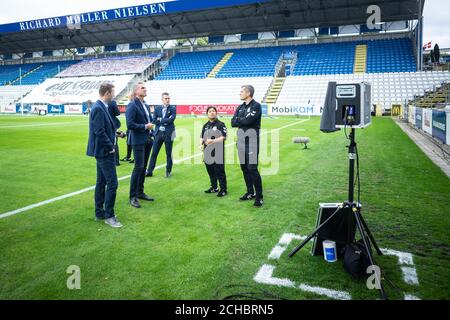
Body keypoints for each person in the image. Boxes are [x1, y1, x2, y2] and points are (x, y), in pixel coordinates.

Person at [86, 83, 123, 227]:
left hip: (103, 150)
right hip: (104, 151)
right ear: (107, 93)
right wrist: (111, 146)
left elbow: (105, 128)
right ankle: (109, 215)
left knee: (101, 182)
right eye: (112, 93)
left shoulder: (102, 107)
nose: (114, 95)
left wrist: (117, 134)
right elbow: (99, 132)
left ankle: (99, 212)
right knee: (113, 183)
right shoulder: (98, 108)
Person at [231, 85, 264, 207]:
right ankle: (250, 192)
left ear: (248, 93)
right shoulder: (240, 107)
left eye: (242, 91)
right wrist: (241, 120)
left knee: (252, 169)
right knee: (244, 168)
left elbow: (248, 121)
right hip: (240, 142)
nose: (240, 93)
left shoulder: (256, 106)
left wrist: (240, 120)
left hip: (252, 142)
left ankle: (259, 197)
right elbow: (232, 122)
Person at [125, 82, 155, 209]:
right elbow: (130, 124)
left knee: (143, 168)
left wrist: (150, 131)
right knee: (138, 167)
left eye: (145, 88)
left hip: (147, 139)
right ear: (136, 91)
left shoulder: (146, 105)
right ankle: (133, 197)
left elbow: (148, 122)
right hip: (137, 140)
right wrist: (144, 126)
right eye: (142, 88)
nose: (145, 89)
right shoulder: (132, 105)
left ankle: (140, 192)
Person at [146, 92, 176, 178]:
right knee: (154, 153)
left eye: (168, 98)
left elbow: (171, 120)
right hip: (158, 133)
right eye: (166, 98)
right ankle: (149, 171)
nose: (167, 100)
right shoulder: (157, 108)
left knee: (168, 153)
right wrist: (164, 120)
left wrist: (160, 119)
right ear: (162, 99)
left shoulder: (173, 108)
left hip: (169, 133)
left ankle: (168, 171)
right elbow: (154, 120)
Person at [199, 106, 227, 197]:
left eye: (213, 111)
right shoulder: (205, 125)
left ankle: (223, 189)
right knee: (210, 171)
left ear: (216, 113)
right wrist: (201, 144)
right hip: (207, 152)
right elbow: (202, 137)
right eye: (210, 111)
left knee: (220, 171)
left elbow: (224, 137)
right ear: (207, 113)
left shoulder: (220, 124)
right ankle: (214, 187)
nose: (212, 112)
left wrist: (213, 141)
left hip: (218, 152)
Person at [108, 100, 126, 166]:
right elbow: (117, 113)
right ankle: (116, 161)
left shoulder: (102, 102)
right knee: (114, 142)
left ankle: (110, 159)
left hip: (105, 123)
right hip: (112, 123)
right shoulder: (112, 102)